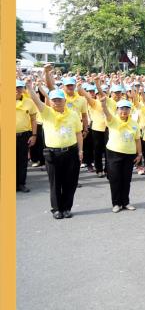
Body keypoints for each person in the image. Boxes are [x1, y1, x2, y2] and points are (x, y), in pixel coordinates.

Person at [27, 80, 83, 219]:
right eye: (54, 100)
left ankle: (67, 208)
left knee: (70, 182)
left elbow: (78, 133)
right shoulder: (47, 112)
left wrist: (80, 150)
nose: (57, 102)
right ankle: (57, 209)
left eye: (59, 99)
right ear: (50, 102)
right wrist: (29, 87)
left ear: (65, 100)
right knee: (55, 182)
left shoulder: (73, 114)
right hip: (53, 153)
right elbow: (36, 101)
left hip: (71, 152)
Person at [100, 94, 142, 213]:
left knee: (126, 179)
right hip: (114, 154)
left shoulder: (134, 123)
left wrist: (139, 154)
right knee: (115, 179)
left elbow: (137, 140)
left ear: (130, 110)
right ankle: (116, 203)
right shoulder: (113, 120)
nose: (124, 111)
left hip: (129, 154)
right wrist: (103, 104)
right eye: (121, 108)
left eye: (127, 108)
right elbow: (106, 113)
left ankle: (125, 202)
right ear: (117, 110)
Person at [15, 79, 38, 192]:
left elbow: (33, 119)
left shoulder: (29, 102)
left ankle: (21, 183)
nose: (17, 90)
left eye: (19, 87)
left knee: (22, 160)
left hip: (23, 135)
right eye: (15, 87)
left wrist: (34, 135)